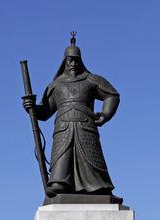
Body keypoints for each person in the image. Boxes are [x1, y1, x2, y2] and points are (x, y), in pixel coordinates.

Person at [23, 34, 120, 197]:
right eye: (70, 60)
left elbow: (112, 95)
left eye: (76, 60)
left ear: (81, 61)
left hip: (85, 127)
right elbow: (45, 112)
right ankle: (59, 183)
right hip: (63, 128)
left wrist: (105, 114)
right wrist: (31, 108)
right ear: (64, 61)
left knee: (91, 160)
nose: (73, 63)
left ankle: (99, 187)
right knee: (62, 157)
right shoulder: (56, 85)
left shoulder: (91, 80)